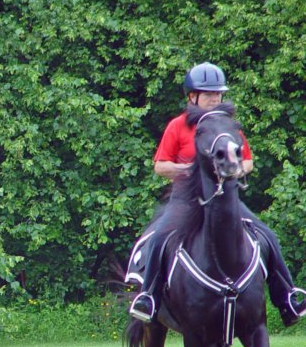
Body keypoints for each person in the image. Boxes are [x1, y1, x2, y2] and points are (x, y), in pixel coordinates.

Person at [129, 62, 306, 326]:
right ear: (192, 96)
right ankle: (149, 298)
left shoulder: (228, 126)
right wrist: (191, 170)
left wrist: (235, 170)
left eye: (218, 94)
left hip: (225, 200)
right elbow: (160, 166)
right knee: (159, 238)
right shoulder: (178, 126)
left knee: (267, 235)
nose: (215, 99)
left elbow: (248, 161)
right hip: (185, 200)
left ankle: (288, 298)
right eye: (209, 94)